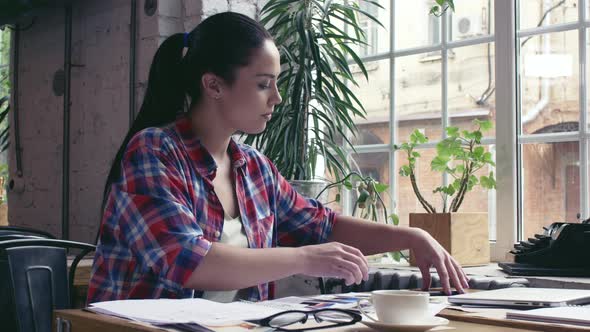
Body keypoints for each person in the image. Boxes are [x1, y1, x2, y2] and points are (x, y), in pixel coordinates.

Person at [87, 12, 469, 304]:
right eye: (262, 84)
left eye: (277, 83)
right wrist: (303, 258)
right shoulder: (154, 151)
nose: (277, 98)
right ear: (214, 85)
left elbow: (322, 225)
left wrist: (412, 236)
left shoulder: (254, 168)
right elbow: (188, 260)